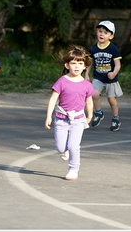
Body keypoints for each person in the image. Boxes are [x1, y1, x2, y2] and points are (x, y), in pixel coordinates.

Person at [45, 45, 95, 181]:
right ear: (67, 65)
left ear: (85, 66)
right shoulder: (62, 81)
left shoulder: (86, 84)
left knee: (74, 146)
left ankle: (73, 169)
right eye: (73, 63)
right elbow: (53, 99)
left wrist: (90, 115)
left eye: (80, 63)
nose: (77, 66)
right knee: (61, 148)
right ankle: (64, 151)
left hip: (78, 119)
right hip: (61, 119)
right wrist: (48, 116)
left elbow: (89, 101)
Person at [85, 20, 123, 131]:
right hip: (98, 77)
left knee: (111, 100)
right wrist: (87, 74)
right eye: (100, 31)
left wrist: (114, 73)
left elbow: (117, 64)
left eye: (106, 32)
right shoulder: (93, 48)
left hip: (111, 79)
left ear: (111, 36)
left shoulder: (113, 49)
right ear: (97, 32)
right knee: (94, 94)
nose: (102, 34)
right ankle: (98, 112)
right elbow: (90, 63)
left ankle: (115, 118)